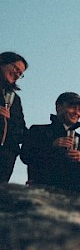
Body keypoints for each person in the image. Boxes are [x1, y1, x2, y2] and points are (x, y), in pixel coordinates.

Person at [20, 92, 80, 194]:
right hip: (42, 192)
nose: (76, 112)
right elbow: (25, 156)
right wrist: (51, 146)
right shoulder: (38, 131)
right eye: (72, 107)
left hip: (73, 196)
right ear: (59, 107)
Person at [0, 52, 28, 183]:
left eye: (20, 73)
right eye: (16, 69)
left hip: (6, 158)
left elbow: (21, 128)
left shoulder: (15, 99)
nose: (17, 74)